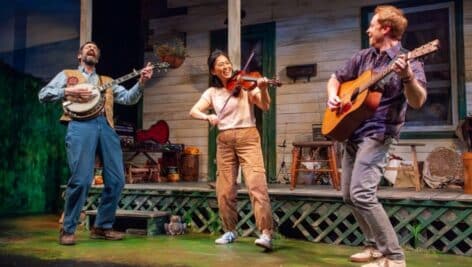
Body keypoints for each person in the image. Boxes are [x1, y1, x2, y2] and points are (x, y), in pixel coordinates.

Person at [326, 5, 427, 267]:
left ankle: (394, 257)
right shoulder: (363, 58)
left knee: (362, 193)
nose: (367, 29)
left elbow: (418, 101)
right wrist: (333, 96)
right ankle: (374, 247)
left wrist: (407, 78)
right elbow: (335, 79)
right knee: (348, 194)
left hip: (379, 132)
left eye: (372, 25)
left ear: (385, 29)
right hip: (352, 130)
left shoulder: (410, 59)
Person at [38, 41, 154, 245]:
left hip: (106, 127)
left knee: (117, 180)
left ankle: (102, 226)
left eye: (94, 48)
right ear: (79, 55)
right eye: (87, 47)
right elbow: (43, 94)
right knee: (81, 179)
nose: (91, 49)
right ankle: (68, 229)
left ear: (98, 57)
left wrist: (142, 82)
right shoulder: (67, 75)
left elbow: (128, 98)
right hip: (80, 126)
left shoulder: (107, 80)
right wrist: (66, 92)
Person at [189, 49, 274, 251]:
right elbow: (193, 111)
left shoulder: (245, 85)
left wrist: (262, 88)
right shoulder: (212, 92)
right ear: (213, 70)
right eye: (220, 64)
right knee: (225, 190)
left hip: (248, 137)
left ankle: (266, 233)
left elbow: (265, 106)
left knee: (256, 185)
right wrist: (208, 117)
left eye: (227, 63)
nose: (226, 67)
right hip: (225, 141)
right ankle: (229, 231)